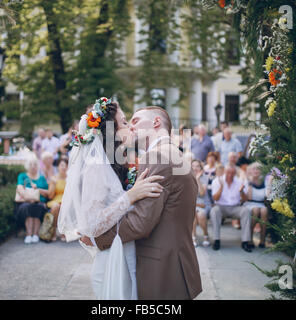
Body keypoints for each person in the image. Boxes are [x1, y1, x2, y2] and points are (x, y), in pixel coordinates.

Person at [70, 101, 202, 300]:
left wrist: (97, 238)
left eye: (135, 121)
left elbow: (140, 223)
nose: (131, 126)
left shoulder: (158, 156)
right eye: (125, 122)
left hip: (162, 265)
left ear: (156, 122)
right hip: (164, 262)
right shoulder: (172, 154)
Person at [58, 99, 167, 300]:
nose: (131, 127)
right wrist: (131, 196)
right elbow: (93, 225)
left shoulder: (113, 164)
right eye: (124, 122)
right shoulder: (96, 167)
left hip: (122, 252)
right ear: (111, 131)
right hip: (112, 262)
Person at [210, 165, 253, 252]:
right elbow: (215, 199)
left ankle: (245, 241)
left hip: (235, 207)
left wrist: (241, 192)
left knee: (246, 211)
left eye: (232, 173)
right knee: (214, 211)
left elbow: (245, 200)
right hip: (221, 207)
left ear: (235, 174)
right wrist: (221, 187)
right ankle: (216, 240)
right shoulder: (217, 181)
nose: (230, 175)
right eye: (228, 172)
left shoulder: (239, 182)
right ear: (225, 172)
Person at [16, 155, 50, 244]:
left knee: (39, 206)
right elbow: (19, 189)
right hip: (25, 201)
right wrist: (29, 198)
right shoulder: (22, 176)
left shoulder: (42, 177)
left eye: (34, 164)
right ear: (27, 166)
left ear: (37, 166)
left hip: (40, 201)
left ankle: (35, 234)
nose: (33, 166)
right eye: (30, 164)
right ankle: (29, 234)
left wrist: (38, 189)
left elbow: (48, 193)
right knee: (28, 207)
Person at [244, 162, 270, 248]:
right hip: (249, 203)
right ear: (250, 170)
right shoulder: (247, 180)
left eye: (258, 169)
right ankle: (250, 238)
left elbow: (267, 196)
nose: (256, 171)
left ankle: (262, 240)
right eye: (254, 169)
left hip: (260, 203)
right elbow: (249, 197)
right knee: (255, 210)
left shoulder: (264, 181)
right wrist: (251, 183)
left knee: (264, 210)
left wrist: (270, 182)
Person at [46, 157, 69, 241]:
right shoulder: (54, 178)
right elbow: (50, 196)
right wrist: (54, 184)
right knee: (56, 207)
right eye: (62, 165)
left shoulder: (70, 178)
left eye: (66, 165)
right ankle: (54, 231)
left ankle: (63, 232)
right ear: (58, 167)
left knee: (66, 205)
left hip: (67, 201)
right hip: (56, 200)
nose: (64, 167)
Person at [192, 159, 212, 247]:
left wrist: (197, 179)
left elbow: (202, 193)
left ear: (201, 168)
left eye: (197, 166)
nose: (195, 168)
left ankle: (205, 235)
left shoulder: (204, 177)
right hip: (193, 205)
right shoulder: (188, 177)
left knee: (200, 215)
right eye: (193, 166)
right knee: (192, 214)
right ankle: (193, 237)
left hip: (203, 204)